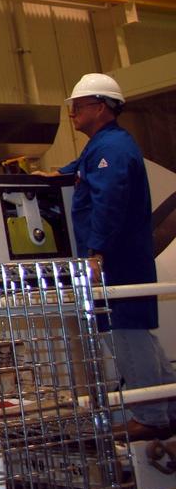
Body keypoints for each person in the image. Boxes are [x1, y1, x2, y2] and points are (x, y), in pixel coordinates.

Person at [56, 72, 175, 440]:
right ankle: (168, 410)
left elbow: (109, 203)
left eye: (79, 106)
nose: (72, 113)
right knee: (140, 337)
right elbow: (88, 173)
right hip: (124, 259)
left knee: (126, 337)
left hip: (117, 262)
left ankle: (152, 418)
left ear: (102, 107)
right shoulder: (106, 146)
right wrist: (58, 174)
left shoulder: (112, 149)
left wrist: (96, 254)